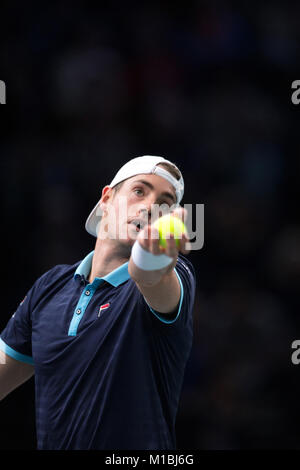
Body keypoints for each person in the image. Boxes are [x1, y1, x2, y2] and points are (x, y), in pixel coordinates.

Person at [0, 155, 196, 450]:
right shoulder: (50, 287)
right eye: (140, 191)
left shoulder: (176, 274)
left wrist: (150, 250)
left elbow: (150, 275)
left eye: (165, 204)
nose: (150, 207)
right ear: (107, 199)